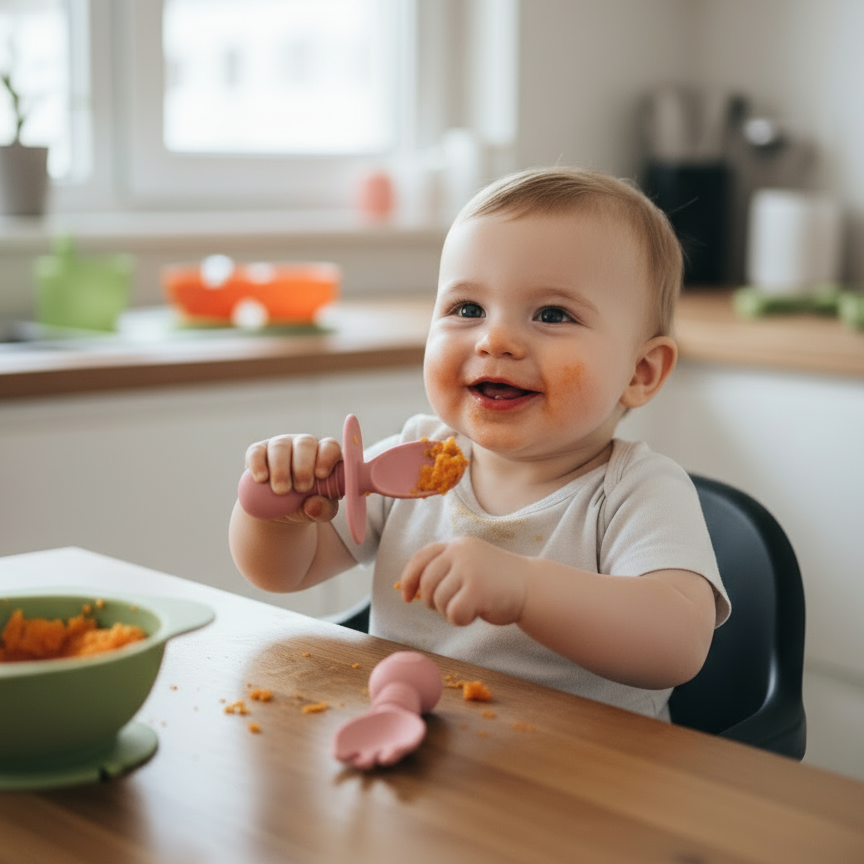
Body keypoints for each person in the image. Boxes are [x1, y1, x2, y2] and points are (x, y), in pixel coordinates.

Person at [229, 167, 730, 720]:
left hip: (582, 779)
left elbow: (678, 645)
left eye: (552, 314)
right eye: (467, 309)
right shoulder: (413, 461)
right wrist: (275, 511)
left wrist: (525, 589)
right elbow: (286, 573)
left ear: (640, 371)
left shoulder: (635, 492)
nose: (495, 339)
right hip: (413, 744)